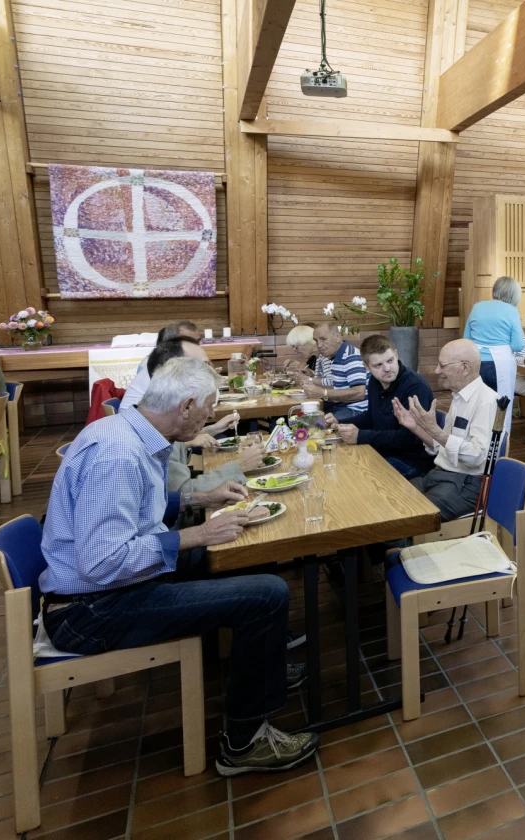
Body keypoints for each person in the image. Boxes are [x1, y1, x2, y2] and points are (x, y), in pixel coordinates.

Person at [39, 356, 318, 775]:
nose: (210, 416)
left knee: (234, 557)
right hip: (92, 609)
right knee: (267, 593)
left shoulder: (129, 433)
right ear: (186, 406)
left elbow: (138, 508)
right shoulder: (117, 455)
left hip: (104, 591)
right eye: (208, 408)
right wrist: (198, 534)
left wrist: (197, 500)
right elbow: (101, 563)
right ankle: (244, 743)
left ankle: (263, 669)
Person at [394, 340, 499, 521]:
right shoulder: (460, 396)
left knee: (405, 517)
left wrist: (435, 431)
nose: (437, 371)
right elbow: (443, 446)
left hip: (467, 484)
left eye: (442, 365)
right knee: (387, 500)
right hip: (441, 474)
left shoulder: (487, 401)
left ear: (465, 368)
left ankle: (404, 549)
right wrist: (416, 427)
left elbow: (478, 456)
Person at [144, 337, 265, 492]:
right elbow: (182, 493)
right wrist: (239, 466)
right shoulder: (127, 448)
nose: (211, 415)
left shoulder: (156, 416)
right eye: (203, 365)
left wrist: (211, 429)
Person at [326, 334, 434, 479]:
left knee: (360, 477)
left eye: (390, 360)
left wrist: (361, 436)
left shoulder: (415, 387)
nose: (387, 368)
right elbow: (372, 416)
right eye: (378, 365)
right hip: (383, 451)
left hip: (411, 460)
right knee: (341, 465)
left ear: (396, 354)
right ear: (367, 367)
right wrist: (339, 423)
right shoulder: (374, 381)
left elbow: (410, 439)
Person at [119, 319, 200, 412]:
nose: (197, 347)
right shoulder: (164, 365)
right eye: (190, 342)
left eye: (197, 342)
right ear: (172, 343)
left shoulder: (178, 361)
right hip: (136, 418)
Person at [463, 276, 524, 391]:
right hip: (501, 365)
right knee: (500, 404)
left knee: (478, 403)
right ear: (513, 294)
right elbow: (518, 345)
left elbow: (466, 339)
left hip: (477, 363)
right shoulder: (512, 311)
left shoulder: (477, 307)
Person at [301, 323, 368, 418]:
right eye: (316, 341)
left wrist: (323, 393)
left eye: (323, 339)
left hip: (357, 411)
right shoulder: (335, 357)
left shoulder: (350, 356)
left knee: (314, 423)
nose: (319, 345)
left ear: (337, 337)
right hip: (343, 406)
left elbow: (359, 393)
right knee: (305, 416)